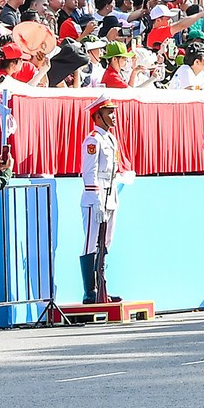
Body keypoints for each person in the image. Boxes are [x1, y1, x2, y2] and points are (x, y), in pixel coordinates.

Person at [78, 98, 122, 304]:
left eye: (114, 112)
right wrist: (96, 201)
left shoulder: (111, 139)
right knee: (91, 243)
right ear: (98, 116)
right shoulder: (93, 140)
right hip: (95, 198)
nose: (113, 116)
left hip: (110, 196)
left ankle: (102, 288)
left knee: (106, 243)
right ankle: (90, 291)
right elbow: (89, 173)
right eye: (109, 112)